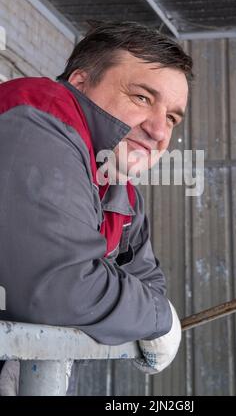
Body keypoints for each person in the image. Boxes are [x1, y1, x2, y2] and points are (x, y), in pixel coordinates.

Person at [0, 21, 193, 395]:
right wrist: (158, 319)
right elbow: (60, 289)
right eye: (142, 98)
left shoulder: (119, 191)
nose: (159, 130)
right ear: (79, 82)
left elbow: (148, 283)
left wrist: (148, 310)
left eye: (171, 117)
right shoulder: (35, 116)